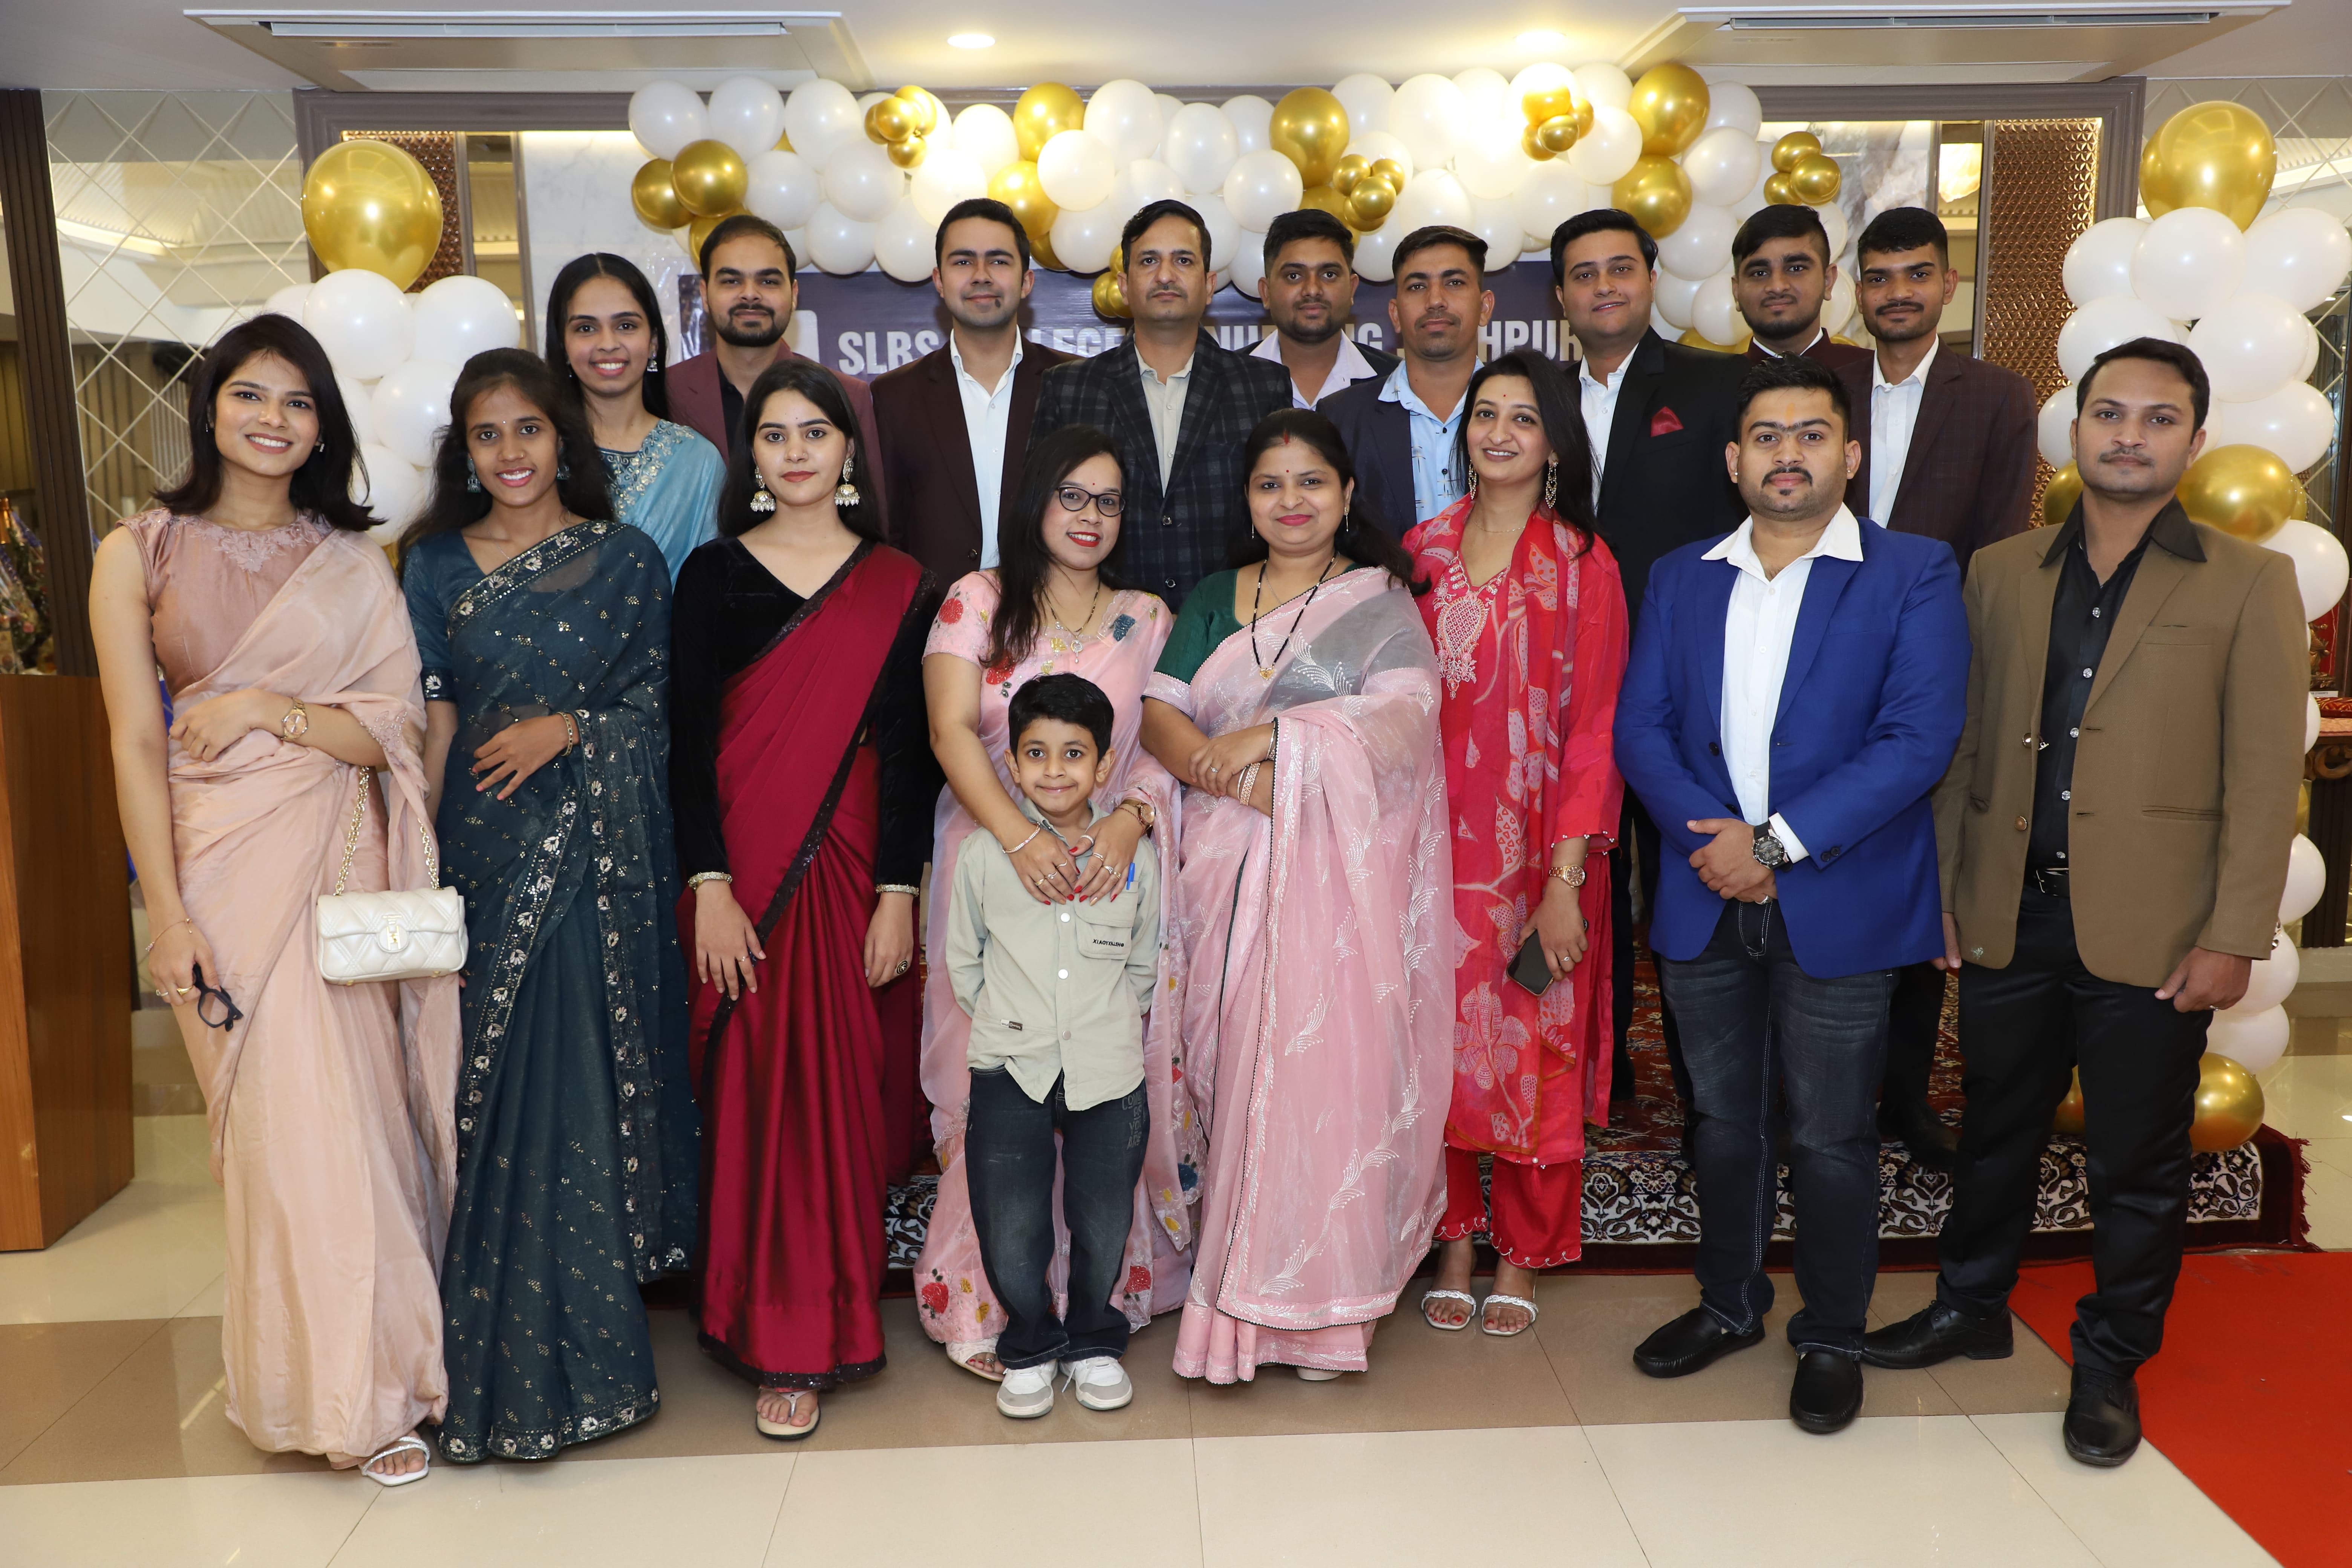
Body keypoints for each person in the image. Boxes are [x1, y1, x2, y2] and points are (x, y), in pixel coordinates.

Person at [1864, 338, 2305, 1468]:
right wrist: (1946, 890)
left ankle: (2110, 1359)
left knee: (2135, 1165)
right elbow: (1962, 747)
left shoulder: (2249, 581)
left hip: (2158, 933)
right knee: (1993, 1132)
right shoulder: (1998, 571)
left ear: (2195, 441)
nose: (2128, 435)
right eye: (2109, 413)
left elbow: (2264, 779)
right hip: (2010, 911)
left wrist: (2233, 935)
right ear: (2075, 429)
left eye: (2157, 419)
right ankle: (1969, 1306)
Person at [89, 314, 458, 1486]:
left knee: (351, 1120)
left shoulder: (352, 561)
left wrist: (268, 712)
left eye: (298, 402)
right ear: (210, 408)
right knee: (272, 1142)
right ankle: (309, 1386)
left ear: (322, 427)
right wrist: (166, 915)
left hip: (333, 863)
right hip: (217, 875)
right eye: (251, 395)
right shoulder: (137, 551)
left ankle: (378, 1391)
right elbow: (133, 742)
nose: (272, 420)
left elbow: (396, 732)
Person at [1614, 355, 1968, 1435]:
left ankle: (1832, 1332)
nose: (1788, 454)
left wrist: (1773, 845)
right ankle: (1729, 1303)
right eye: (1766, 437)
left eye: (1811, 435)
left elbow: (1916, 740)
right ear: (1733, 460)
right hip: (1704, 892)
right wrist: (1717, 846)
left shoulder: (1912, 570)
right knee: (1723, 1122)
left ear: (1850, 456)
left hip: (1840, 898)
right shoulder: (1681, 576)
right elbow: (1643, 730)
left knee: (1829, 1134)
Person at [402, 348, 698, 1462]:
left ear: (562, 439)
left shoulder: (625, 560)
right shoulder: (433, 564)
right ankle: (487, 1355)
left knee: (571, 1092)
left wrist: (570, 729)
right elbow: (434, 720)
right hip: (481, 853)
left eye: (528, 428)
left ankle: (596, 1364)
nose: (510, 453)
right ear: (465, 451)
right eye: (487, 434)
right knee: (485, 1103)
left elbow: (657, 714)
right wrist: (423, 859)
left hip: (588, 859)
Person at [1138, 408, 1451, 1383]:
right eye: (1270, 484)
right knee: (1228, 1075)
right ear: (1247, 500)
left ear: (1347, 494)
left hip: (1331, 876)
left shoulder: (1380, 603)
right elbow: (1160, 717)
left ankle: (1322, 1315)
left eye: (1311, 481)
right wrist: (1237, 776)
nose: (1291, 501)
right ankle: (1233, 1293)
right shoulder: (1212, 598)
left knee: (1321, 1080)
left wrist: (1277, 739)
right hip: (1220, 868)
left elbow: (1406, 721)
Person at [670, 356, 941, 1440]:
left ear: (846, 452)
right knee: (755, 1100)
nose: (794, 452)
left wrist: (897, 892)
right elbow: (688, 749)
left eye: (814, 433)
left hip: (853, 872)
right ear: (751, 456)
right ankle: (768, 1330)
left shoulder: (900, 583)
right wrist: (709, 886)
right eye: (774, 435)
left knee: (844, 1098)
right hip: (746, 877)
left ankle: (833, 1312)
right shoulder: (711, 576)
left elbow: (911, 754)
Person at [912, 424, 1182, 1384]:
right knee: (992, 1085)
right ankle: (989, 1303)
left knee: (1103, 1079)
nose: (1089, 516)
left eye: (1108, 500)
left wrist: (1129, 825)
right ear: (1036, 499)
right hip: (992, 873)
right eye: (1072, 495)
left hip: (1105, 876)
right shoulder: (978, 601)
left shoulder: (1146, 617)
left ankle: (1099, 1295)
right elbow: (950, 731)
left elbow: (1160, 744)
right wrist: (1020, 840)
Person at [1405, 350, 1626, 1336]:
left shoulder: (1584, 564)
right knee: (1438, 1043)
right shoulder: (1420, 551)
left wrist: (1567, 878)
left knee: (1536, 1033)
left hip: (1543, 855)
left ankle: (1522, 1252)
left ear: (1555, 443)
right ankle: (1452, 1237)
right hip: (1430, 849)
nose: (1499, 432)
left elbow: (1597, 731)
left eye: (1523, 418)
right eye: (1485, 414)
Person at [1835, 204, 2039, 1168]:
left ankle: (1906, 1096)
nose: (1898, 293)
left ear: (1947, 285)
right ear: (1858, 290)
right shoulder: (1824, 382)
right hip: (1815, 664)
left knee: (1919, 877)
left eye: (1917, 274)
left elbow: (1997, 546)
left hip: (1929, 667)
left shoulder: (1996, 396)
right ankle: (1821, 1087)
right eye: (1880, 277)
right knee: (1824, 873)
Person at [1550, 207, 1747, 1121]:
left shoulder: (1715, 385)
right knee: (1583, 876)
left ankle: (1706, 1087)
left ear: (1651, 279)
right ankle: (1602, 1074)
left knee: (1687, 877)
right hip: (1566, 686)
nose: (1604, 287)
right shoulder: (1540, 398)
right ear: (1561, 295)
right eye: (1584, 273)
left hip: (1683, 684)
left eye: (1619, 268)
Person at [946, 673, 1164, 1420]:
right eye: (1036, 752)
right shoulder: (983, 855)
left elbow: (1143, 965)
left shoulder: (1133, 858)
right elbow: (965, 963)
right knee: (1011, 1220)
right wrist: (1012, 1024)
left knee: (1103, 1216)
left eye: (1074, 753)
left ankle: (1094, 1340)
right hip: (1010, 1067)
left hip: (1109, 1068)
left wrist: (1103, 1023)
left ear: (1104, 765)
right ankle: (1030, 1346)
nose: (1054, 769)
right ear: (1011, 762)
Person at [1029, 198, 1292, 609]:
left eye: (1183, 261)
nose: (1166, 275)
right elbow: (1036, 519)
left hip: (1233, 623)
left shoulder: (1262, 386)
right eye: (1149, 261)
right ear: (1123, 284)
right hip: (1104, 626)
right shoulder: (1069, 389)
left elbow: (1284, 515)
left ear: (1209, 284)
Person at [871, 198, 1073, 582]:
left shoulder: (1075, 382)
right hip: (935, 612)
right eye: (963, 262)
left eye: (999, 261)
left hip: (1054, 609)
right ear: (939, 281)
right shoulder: (895, 396)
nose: (981, 275)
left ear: (1026, 281)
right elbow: (889, 533)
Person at [667, 213, 888, 510]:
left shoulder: (847, 395)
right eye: (732, 281)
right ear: (705, 295)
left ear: (794, 294)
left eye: (768, 281)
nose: (750, 294)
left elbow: (871, 516)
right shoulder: (665, 392)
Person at [544, 251, 726, 580]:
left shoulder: (697, 460)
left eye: (626, 326)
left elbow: (713, 587)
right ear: (563, 345)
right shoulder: (542, 452)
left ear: (653, 341)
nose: (608, 343)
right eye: (586, 328)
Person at [1320, 224, 1493, 537]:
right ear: (1395, 314)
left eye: (1454, 283)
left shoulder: (1529, 411)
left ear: (1485, 307)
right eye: (1417, 286)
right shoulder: (1341, 418)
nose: (1435, 300)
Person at [1252, 208, 1397, 409]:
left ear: (1352, 289)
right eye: (1294, 276)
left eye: (1329, 274)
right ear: (1266, 292)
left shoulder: (1397, 382)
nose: (1313, 290)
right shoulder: (1224, 382)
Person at [1730, 205, 1870, 369]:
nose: (1777, 287)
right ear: (1736, 291)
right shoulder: (1713, 381)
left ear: (1828, 281)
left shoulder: (1874, 375)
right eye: (1760, 273)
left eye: (1796, 269)